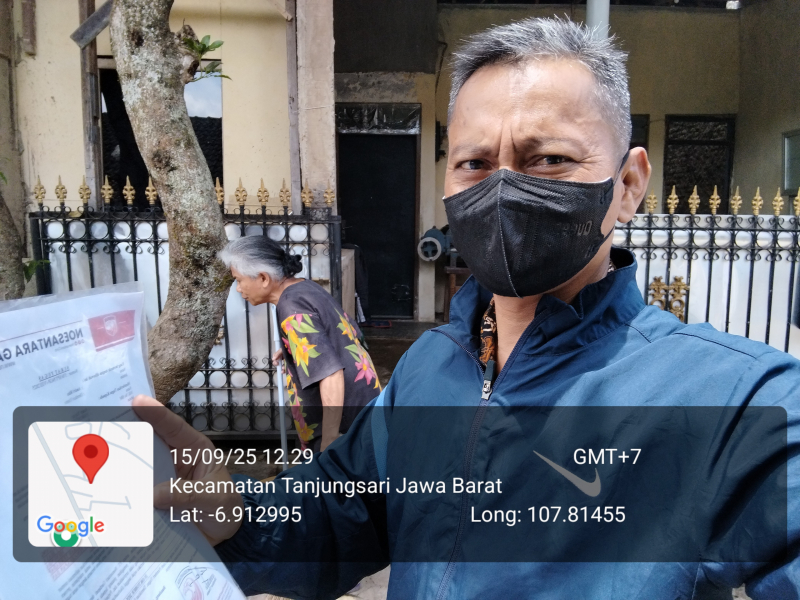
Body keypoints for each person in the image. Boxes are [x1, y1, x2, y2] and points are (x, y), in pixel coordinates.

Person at [134, 17, 800, 599]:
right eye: (475, 164)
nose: (505, 189)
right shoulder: (430, 368)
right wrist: (236, 516)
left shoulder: (738, 403)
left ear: (627, 185)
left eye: (549, 158)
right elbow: (342, 511)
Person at [219, 235, 381, 452]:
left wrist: (329, 439)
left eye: (239, 280)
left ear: (263, 278)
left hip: (346, 423)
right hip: (364, 404)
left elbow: (330, 374)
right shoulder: (304, 287)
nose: (239, 289)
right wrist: (292, 346)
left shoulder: (292, 308)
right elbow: (331, 333)